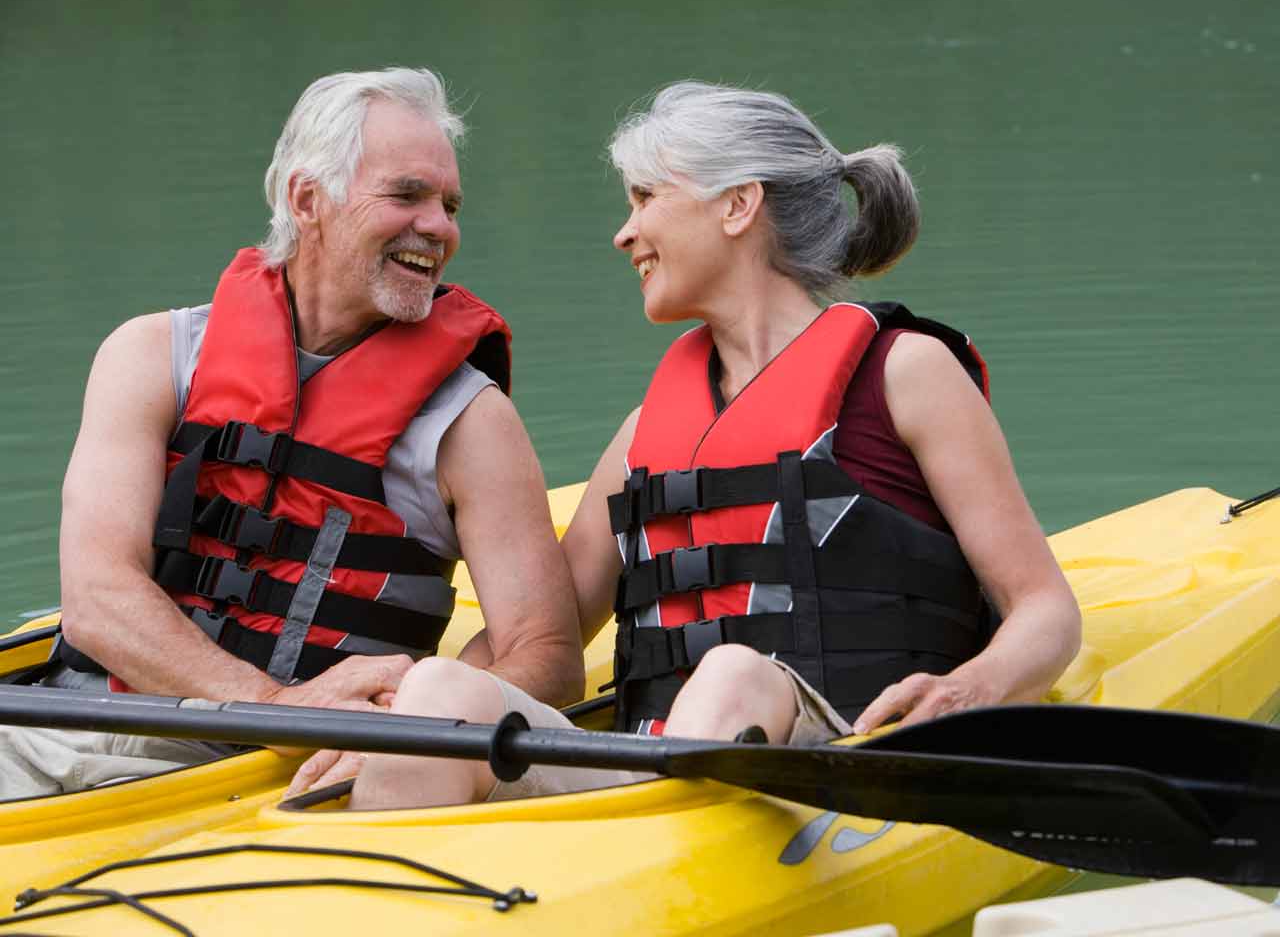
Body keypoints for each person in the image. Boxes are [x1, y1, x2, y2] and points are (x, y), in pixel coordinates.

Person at [288, 82, 1081, 809]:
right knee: (442, 691)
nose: (624, 232)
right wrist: (403, 717)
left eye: (645, 197)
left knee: (732, 676)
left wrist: (975, 687)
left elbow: (1044, 610)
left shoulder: (905, 373)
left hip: (845, 756)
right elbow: (540, 633)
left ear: (737, 206)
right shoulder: (645, 434)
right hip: (651, 776)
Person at [0, 67, 583, 799]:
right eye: (407, 195)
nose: (440, 226)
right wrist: (274, 707)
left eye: (450, 204)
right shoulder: (150, 356)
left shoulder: (470, 422)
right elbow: (98, 599)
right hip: (72, 726)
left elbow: (546, 653)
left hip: (298, 776)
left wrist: (415, 728)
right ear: (308, 200)